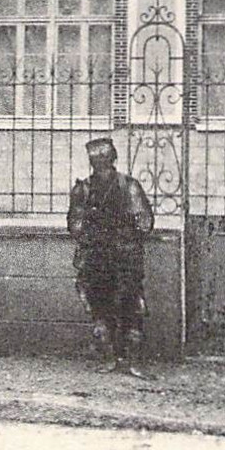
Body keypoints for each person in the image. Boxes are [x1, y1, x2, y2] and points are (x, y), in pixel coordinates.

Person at [67, 137, 155, 377]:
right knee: (101, 307)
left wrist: (122, 231)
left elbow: (144, 222)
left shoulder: (129, 187)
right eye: (97, 160)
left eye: (103, 159)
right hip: (99, 256)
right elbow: (75, 225)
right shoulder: (84, 190)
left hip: (124, 256)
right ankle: (112, 356)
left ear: (112, 159)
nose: (101, 164)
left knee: (131, 307)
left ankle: (131, 359)